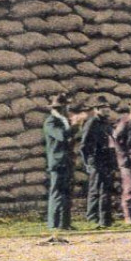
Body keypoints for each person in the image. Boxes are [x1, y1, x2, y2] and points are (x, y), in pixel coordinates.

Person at [79, 97, 116, 227]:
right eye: (103, 108)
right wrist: (88, 163)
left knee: (105, 190)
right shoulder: (92, 123)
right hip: (96, 160)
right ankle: (93, 218)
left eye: (107, 107)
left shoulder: (106, 123)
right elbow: (83, 146)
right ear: (96, 109)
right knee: (96, 190)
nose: (106, 110)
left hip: (107, 160)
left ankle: (105, 219)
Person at [42, 91, 75, 230]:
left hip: (66, 160)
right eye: (65, 106)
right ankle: (54, 224)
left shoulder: (63, 120)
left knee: (66, 192)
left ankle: (64, 224)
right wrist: (75, 126)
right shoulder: (51, 121)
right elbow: (61, 136)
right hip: (57, 161)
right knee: (56, 193)